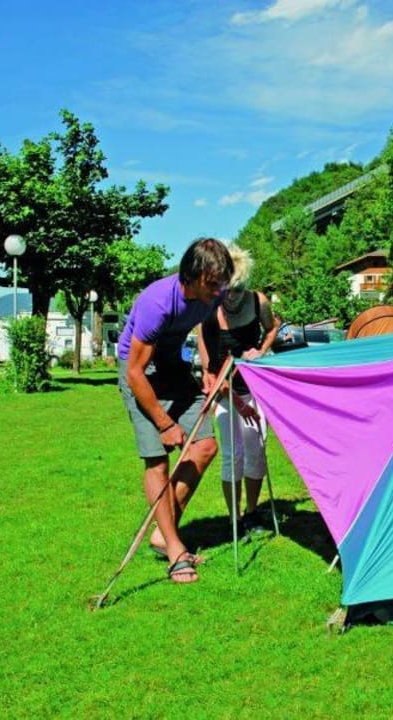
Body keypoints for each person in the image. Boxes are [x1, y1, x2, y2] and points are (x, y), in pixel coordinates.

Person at [117, 237, 233, 584]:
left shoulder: (213, 294)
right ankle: (174, 549)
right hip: (142, 372)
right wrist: (165, 423)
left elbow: (208, 326)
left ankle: (162, 533)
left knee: (205, 445)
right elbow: (135, 372)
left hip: (174, 367)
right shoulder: (157, 302)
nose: (219, 290)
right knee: (158, 460)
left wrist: (211, 369)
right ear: (192, 277)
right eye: (213, 284)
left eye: (222, 282)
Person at [198, 245, 278, 539]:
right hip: (224, 390)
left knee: (256, 450)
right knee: (234, 454)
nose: (231, 296)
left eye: (238, 290)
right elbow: (212, 366)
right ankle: (234, 520)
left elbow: (272, 327)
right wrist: (211, 377)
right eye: (227, 290)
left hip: (255, 387)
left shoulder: (258, 301)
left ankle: (252, 512)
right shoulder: (209, 310)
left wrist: (262, 350)